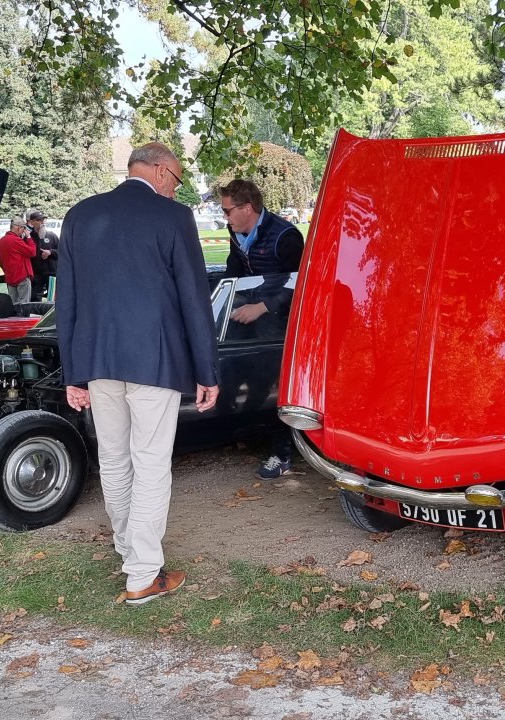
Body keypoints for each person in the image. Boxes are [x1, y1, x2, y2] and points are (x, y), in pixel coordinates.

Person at [58, 142, 219, 606]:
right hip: (155, 359)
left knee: (113, 459)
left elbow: (66, 300)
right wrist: (207, 370)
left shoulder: (80, 215)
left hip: (97, 361)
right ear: (161, 171)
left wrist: (74, 372)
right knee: (148, 462)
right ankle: (143, 574)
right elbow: (194, 298)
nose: (175, 189)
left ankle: (130, 552)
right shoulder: (173, 217)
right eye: (177, 180)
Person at [219, 179, 306, 479]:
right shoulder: (235, 231)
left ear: (247, 208)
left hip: (279, 319)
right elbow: (234, 271)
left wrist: (263, 307)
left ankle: (282, 455)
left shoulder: (285, 236)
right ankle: (241, 428)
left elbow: (300, 281)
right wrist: (225, 301)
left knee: (274, 384)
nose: (225, 217)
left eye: (228, 211)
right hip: (248, 312)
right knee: (228, 365)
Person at [0, 218, 37, 304]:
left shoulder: (1, 241)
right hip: (21, 276)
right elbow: (32, 252)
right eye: (23, 229)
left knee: (13, 304)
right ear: (19, 228)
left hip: (10, 276)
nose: (24, 231)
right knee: (24, 305)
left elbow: (0, 260)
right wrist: (29, 238)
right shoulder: (16, 240)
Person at [26, 210, 59, 302]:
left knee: (53, 298)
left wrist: (50, 252)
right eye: (38, 220)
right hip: (36, 273)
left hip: (51, 272)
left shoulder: (52, 235)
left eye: (43, 220)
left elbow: (61, 251)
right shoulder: (29, 237)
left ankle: (52, 312)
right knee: (34, 298)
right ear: (32, 222)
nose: (41, 222)